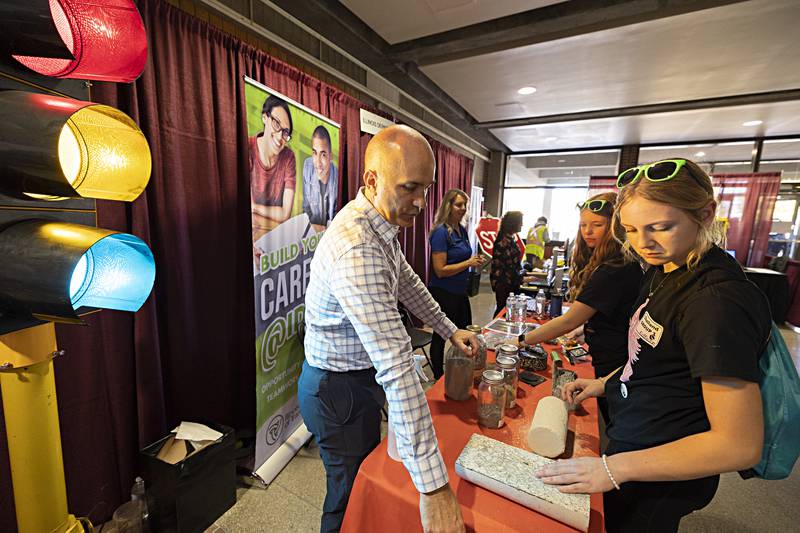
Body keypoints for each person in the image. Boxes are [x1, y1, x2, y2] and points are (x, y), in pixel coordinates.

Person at [536, 159, 770, 532]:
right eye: (630, 230)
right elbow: (650, 355)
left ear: (706, 213)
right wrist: (605, 383)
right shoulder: (666, 269)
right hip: (635, 444)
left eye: (660, 227)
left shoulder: (716, 302)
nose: (643, 243)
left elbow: (739, 444)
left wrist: (615, 469)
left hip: (664, 471)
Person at [299, 125, 476, 533]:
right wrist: (434, 490)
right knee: (348, 497)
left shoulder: (378, 222)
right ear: (373, 180)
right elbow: (396, 366)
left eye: (427, 190)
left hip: (352, 380)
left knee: (362, 482)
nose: (420, 202)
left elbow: (408, 282)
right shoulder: (358, 245)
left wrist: (449, 330)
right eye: (410, 187)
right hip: (337, 389)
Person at [515, 192, 643, 422]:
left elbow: (568, 320)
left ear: (616, 227)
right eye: (584, 225)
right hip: (612, 353)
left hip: (614, 360)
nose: (588, 231)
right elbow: (612, 312)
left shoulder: (612, 269)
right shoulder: (615, 262)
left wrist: (521, 341)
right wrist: (585, 330)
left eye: (597, 225)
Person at [427, 188, 485, 379]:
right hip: (443, 292)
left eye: (464, 205)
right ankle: (438, 375)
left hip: (460, 292)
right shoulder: (440, 233)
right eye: (458, 204)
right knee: (441, 335)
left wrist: (474, 262)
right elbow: (440, 270)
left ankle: (463, 368)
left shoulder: (461, 230)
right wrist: (468, 263)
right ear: (448, 206)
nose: (462, 209)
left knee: (465, 332)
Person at [250, 95, 296, 229]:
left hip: (273, 237)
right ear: (265, 117)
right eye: (276, 123)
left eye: (285, 132)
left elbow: (285, 213)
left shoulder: (288, 157)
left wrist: (255, 208)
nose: (280, 137)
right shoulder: (248, 147)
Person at [490, 211, 532, 316]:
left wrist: (524, 272)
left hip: (508, 282)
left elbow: (514, 264)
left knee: (505, 311)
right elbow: (509, 267)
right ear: (513, 223)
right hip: (504, 283)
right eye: (520, 222)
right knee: (503, 311)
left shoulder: (509, 238)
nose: (522, 225)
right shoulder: (504, 241)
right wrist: (522, 278)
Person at [302, 125, 338, 231]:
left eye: (323, 155)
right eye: (314, 153)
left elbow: (336, 214)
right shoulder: (307, 167)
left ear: (330, 157)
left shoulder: (336, 175)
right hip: (312, 234)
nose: (317, 163)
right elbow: (306, 207)